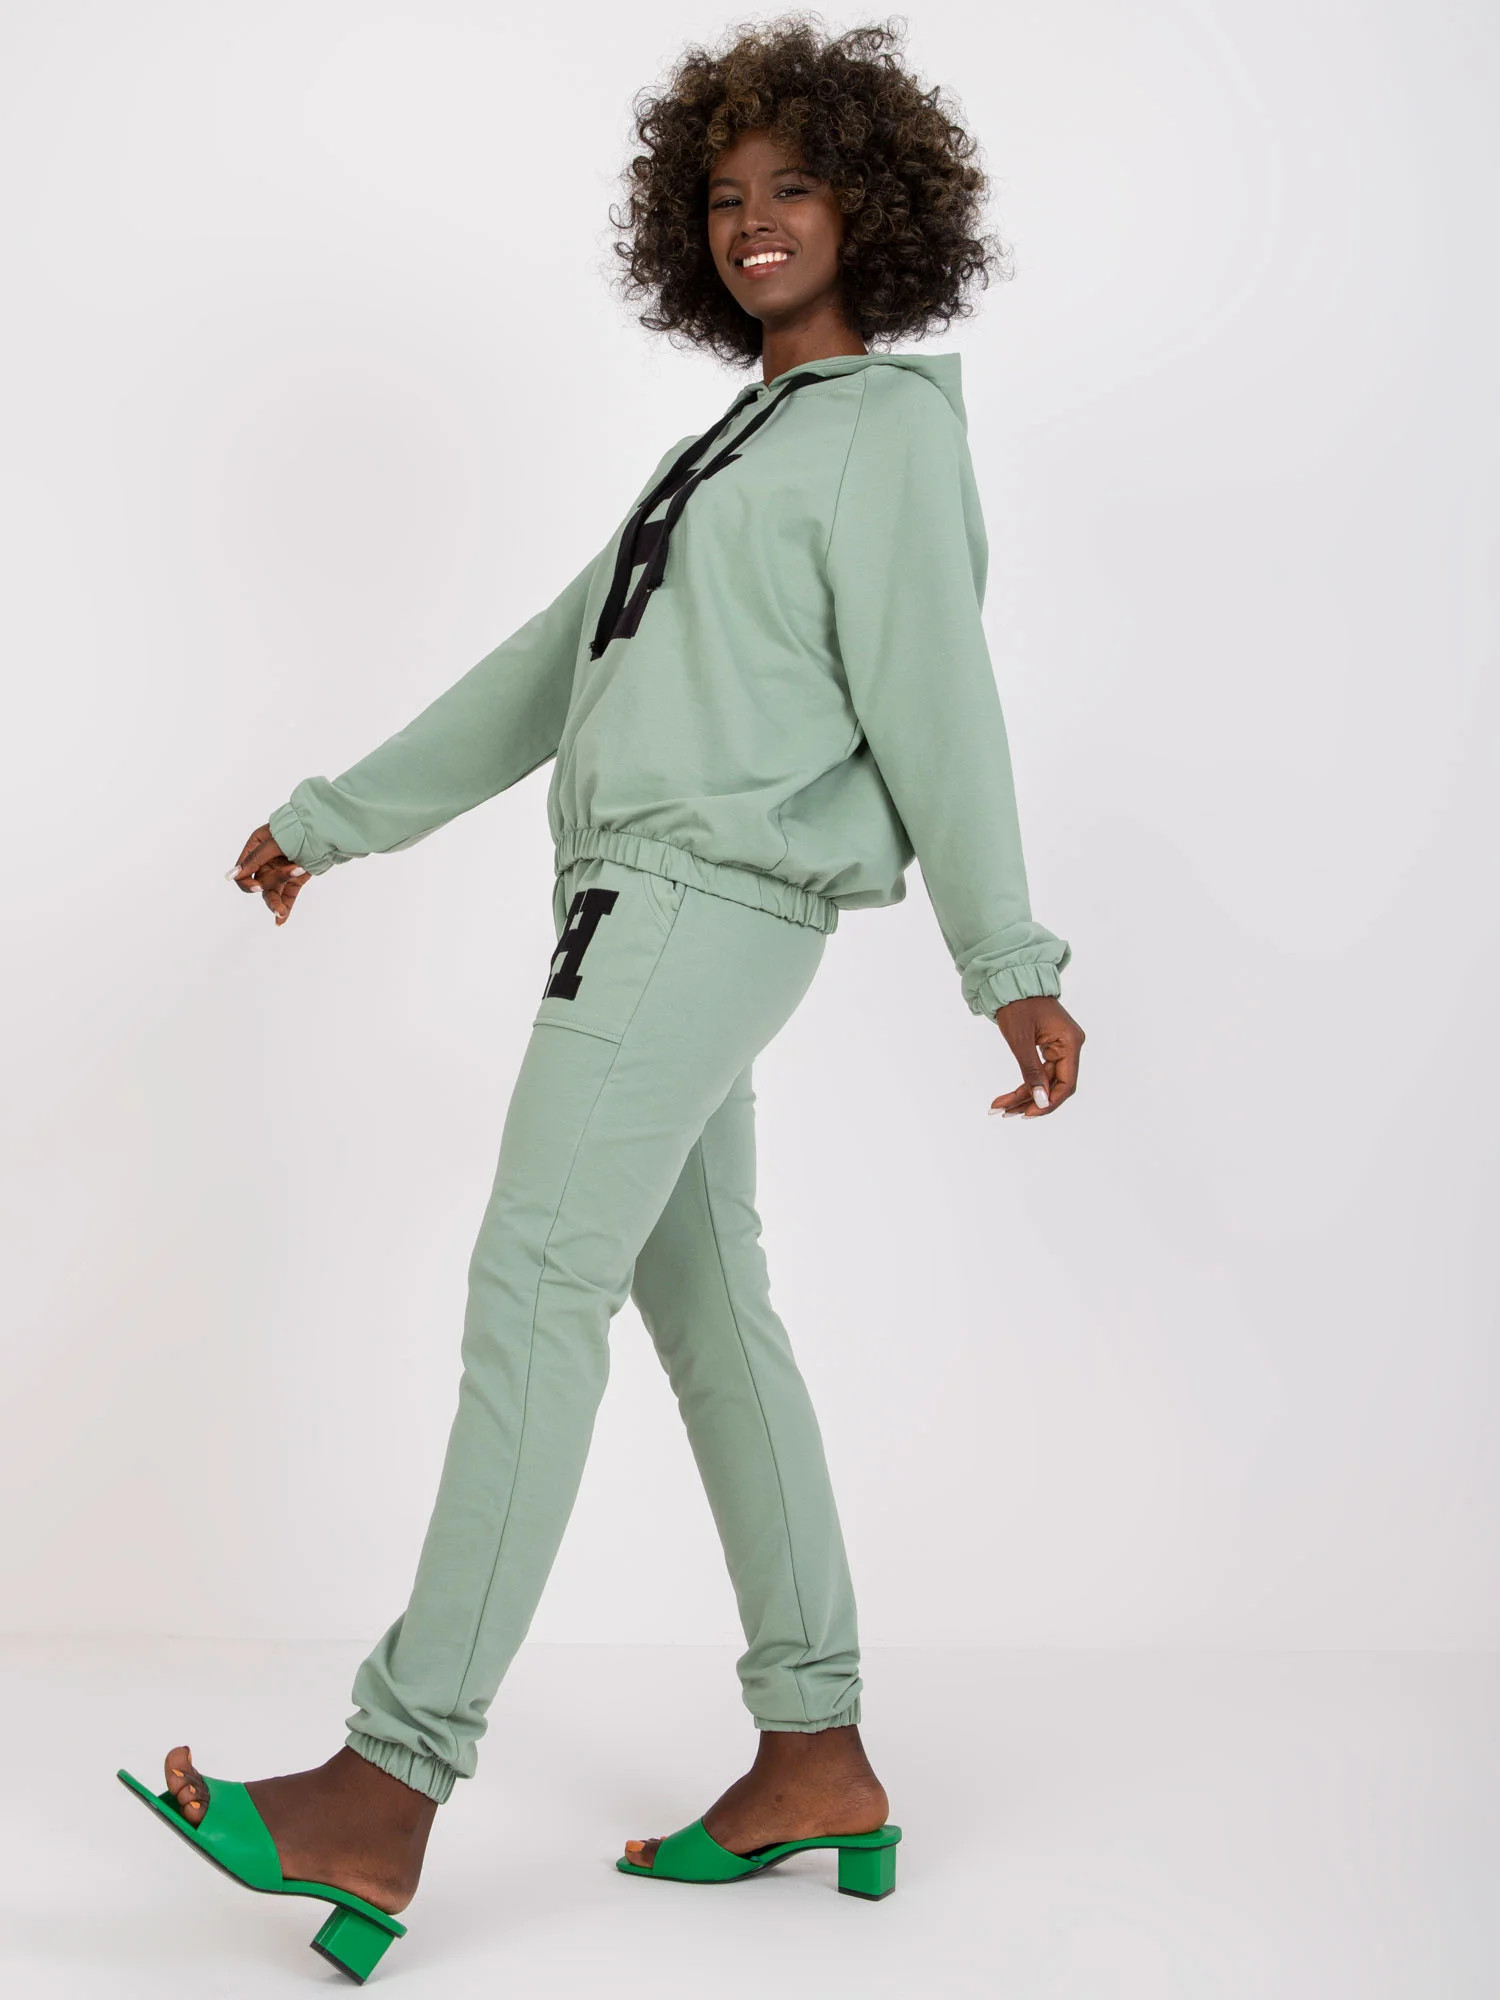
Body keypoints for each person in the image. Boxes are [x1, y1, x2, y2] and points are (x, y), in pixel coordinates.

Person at [122, 15, 1083, 1970]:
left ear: (875, 210)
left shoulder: (888, 436)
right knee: (709, 1309)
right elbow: (548, 666)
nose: (752, 219)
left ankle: (387, 1784)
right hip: (641, 907)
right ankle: (815, 1746)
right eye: (723, 195)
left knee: (531, 1288)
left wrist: (1011, 963)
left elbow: (940, 700)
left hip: (695, 907)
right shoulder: (723, 450)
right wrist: (336, 816)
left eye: (793, 185)